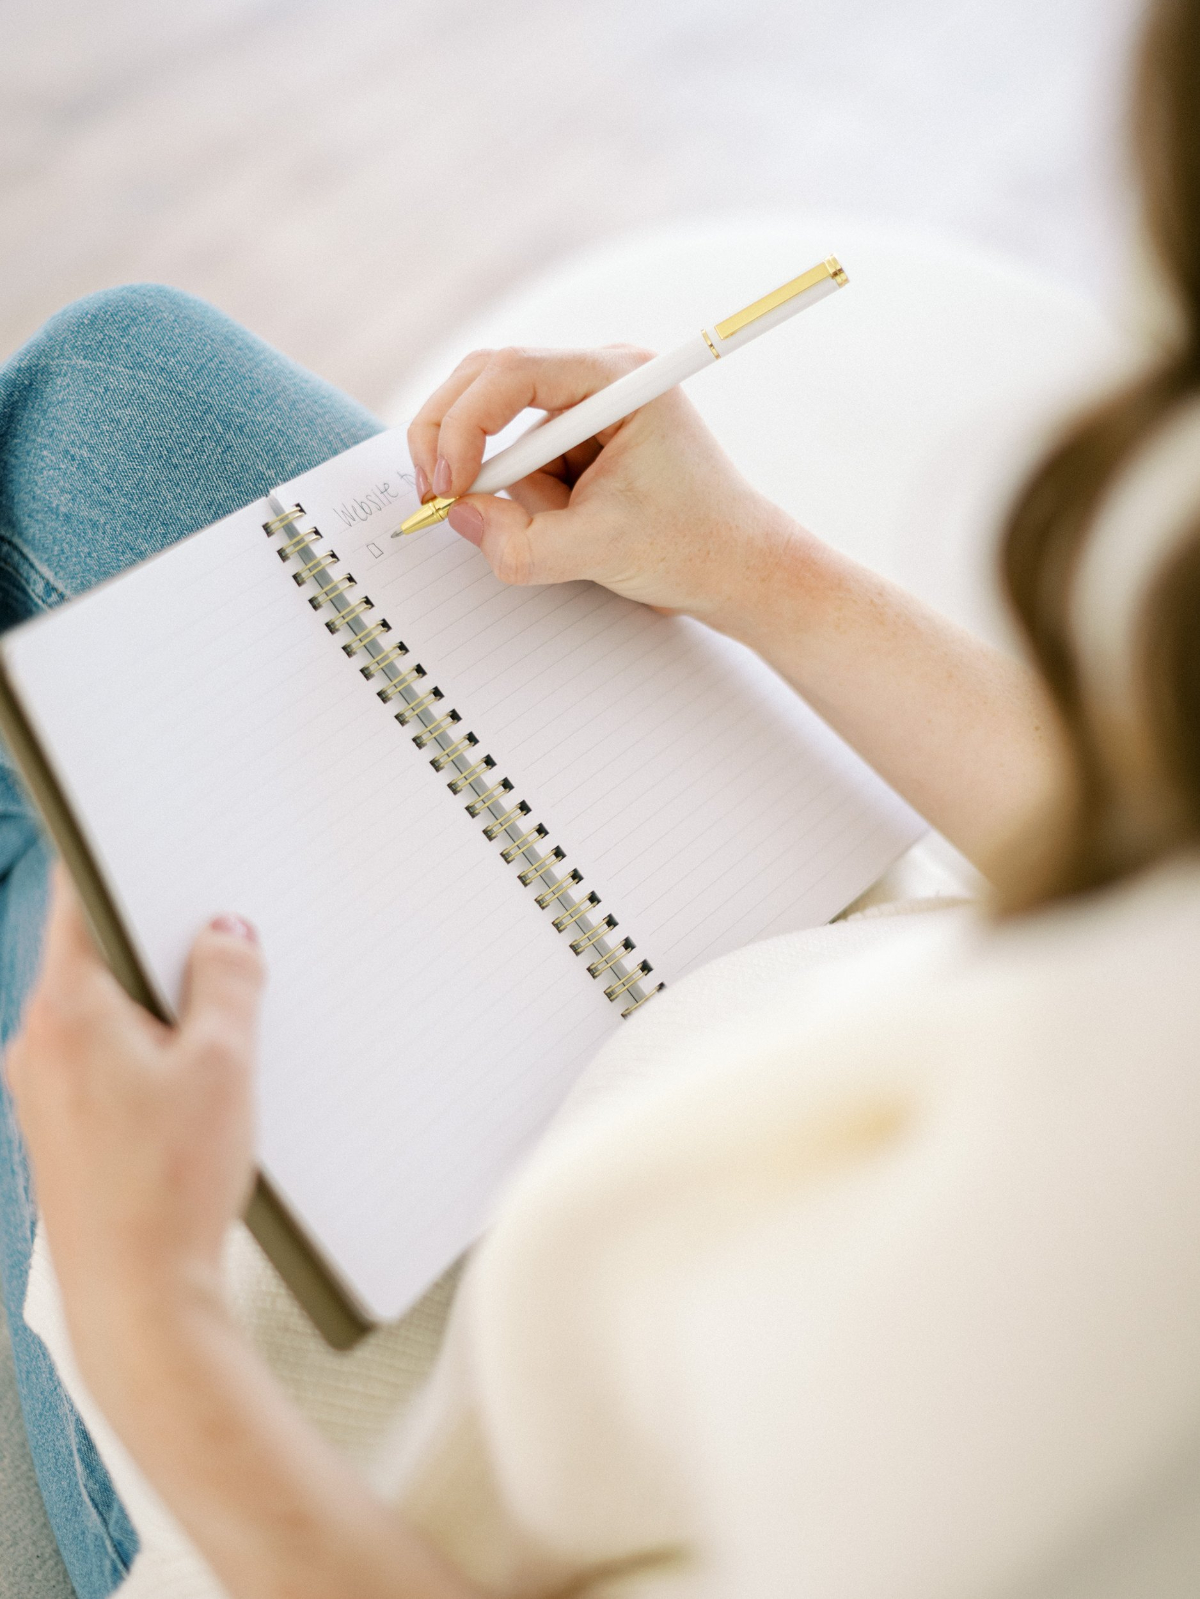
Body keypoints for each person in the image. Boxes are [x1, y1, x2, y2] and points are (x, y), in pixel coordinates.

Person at [6, 0, 1200, 1591]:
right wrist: (753, 569)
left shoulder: (1084, 1378)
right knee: (123, 380)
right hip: (736, 1014)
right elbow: (1153, 849)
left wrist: (146, 1326)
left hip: (358, 1462)